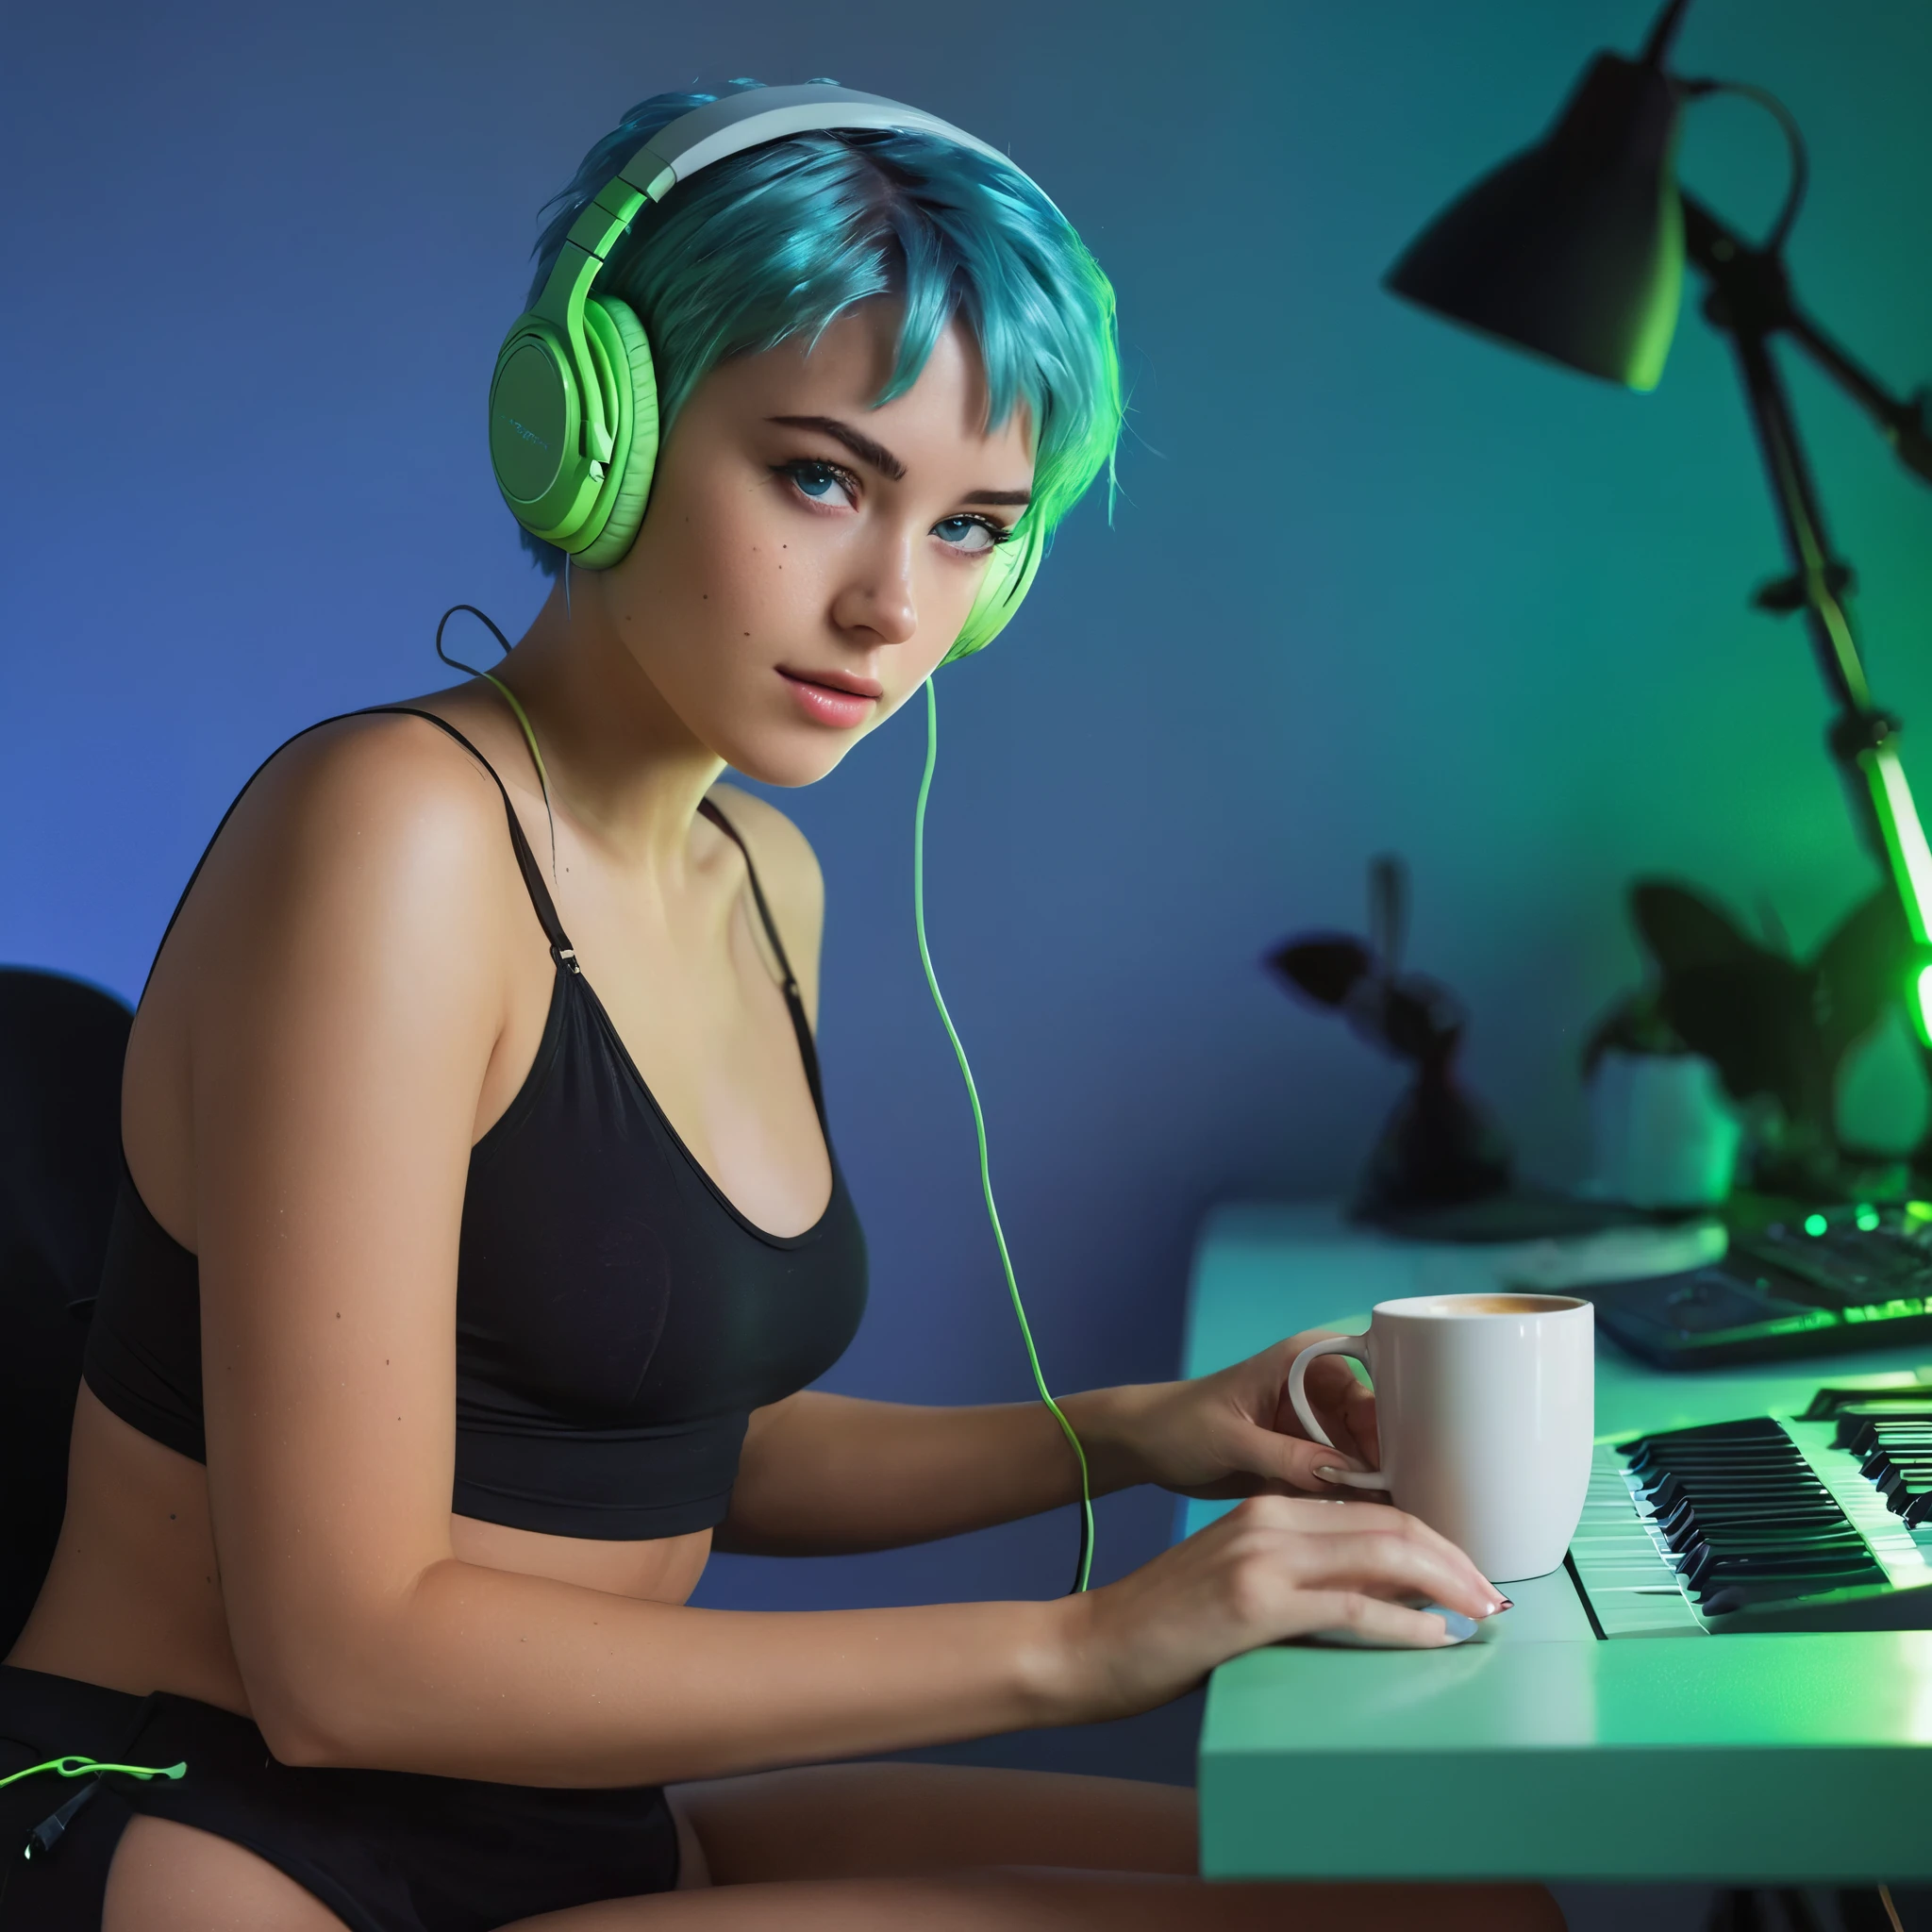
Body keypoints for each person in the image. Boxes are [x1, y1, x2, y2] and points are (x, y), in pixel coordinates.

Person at [1, 84, 1556, 1932]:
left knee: (1460, 1903)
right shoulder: (392, 838)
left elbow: (648, 1428)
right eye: (822, 477)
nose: (892, 605)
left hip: (571, 1814)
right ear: (601, 427)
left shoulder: (762, 873)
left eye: (975, 525)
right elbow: (350, 1663)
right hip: (229, 1830)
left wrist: (1132, 1429)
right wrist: (1085, 1643)